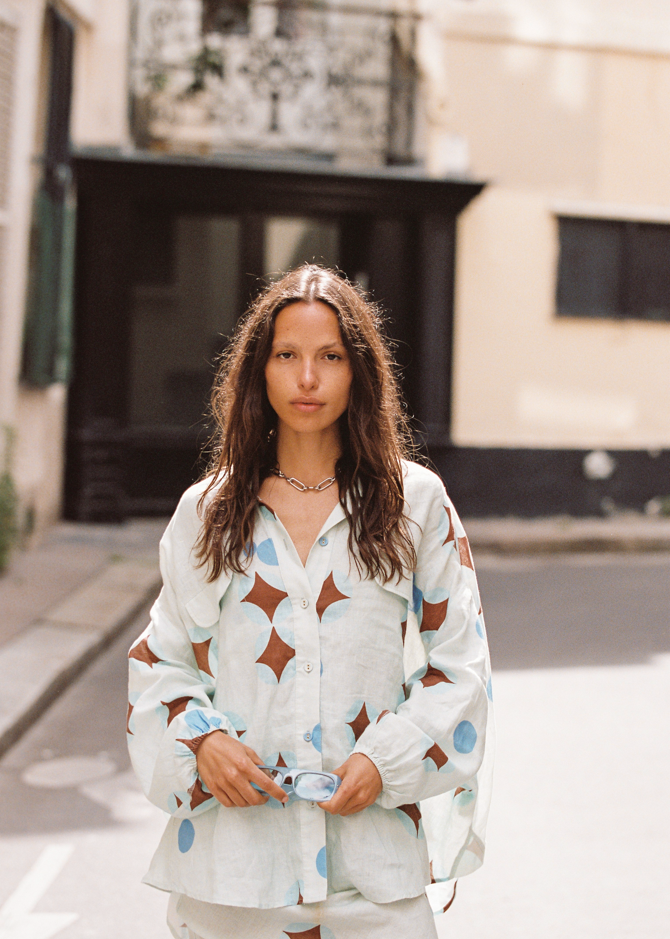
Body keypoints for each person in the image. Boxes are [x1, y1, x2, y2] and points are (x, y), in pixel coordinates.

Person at [127, 265, 494, 939]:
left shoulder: (414, 504)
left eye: (329, 357)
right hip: (233, 881)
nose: (307, 378)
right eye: (287, 355)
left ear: (358, 372)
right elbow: (161, 661)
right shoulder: (205, 512)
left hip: (373, 880)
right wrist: (202, 741)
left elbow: (461, 668)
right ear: (258, 371)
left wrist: (383, 760)